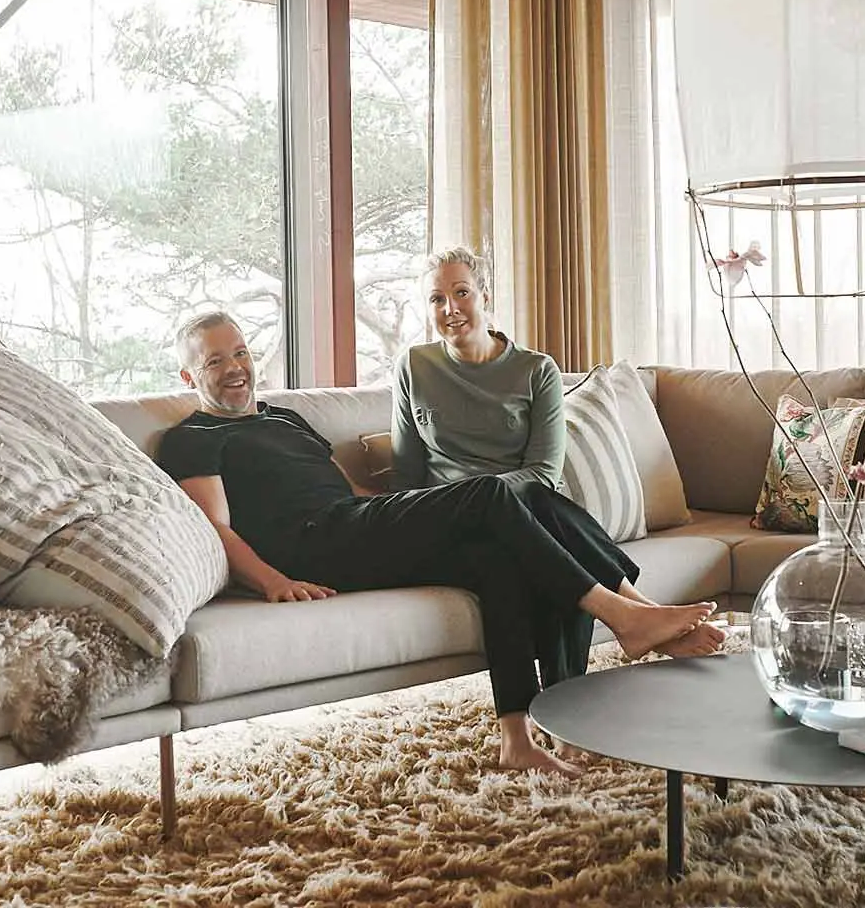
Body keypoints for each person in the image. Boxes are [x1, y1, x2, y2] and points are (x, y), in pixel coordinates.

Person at [156, 309, 717, 778]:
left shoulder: (287, 418)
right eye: (214, 361)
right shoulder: (194, 439)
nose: (235, 368)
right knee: (491, 495)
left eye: (240, 352)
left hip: (355, 522)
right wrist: (274, 582)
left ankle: (524, 735)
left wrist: (399, 510)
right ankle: (627, 615)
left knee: (516, 536)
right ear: (189, 378)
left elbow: (345, 489)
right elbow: (218, 527)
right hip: (313, 545)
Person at [392, 247, 723, 674]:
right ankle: (640, 615)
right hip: (451, 523)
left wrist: (498, 503)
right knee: (544, 525)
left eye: (461, 293)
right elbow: (405, 478)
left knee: (541, 530)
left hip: (525, 515)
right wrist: (468, 502)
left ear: (485, 295)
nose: (450, 309)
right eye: (437, 299)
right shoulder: (414, 367)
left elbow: (544, 473)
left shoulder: (535, 370)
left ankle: (573, 702)